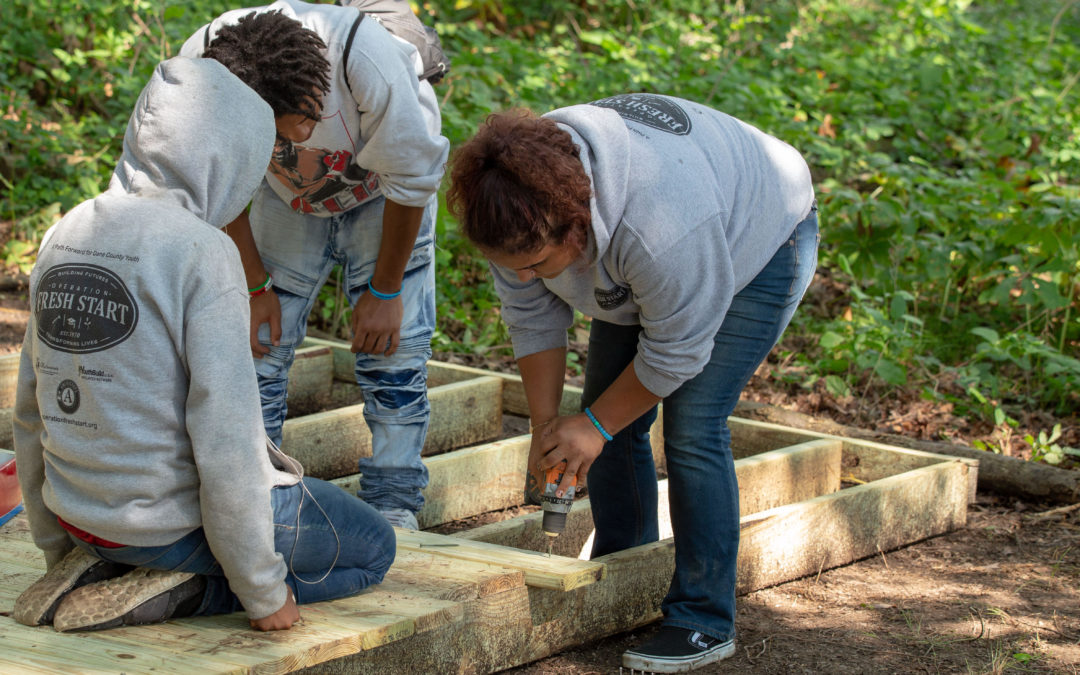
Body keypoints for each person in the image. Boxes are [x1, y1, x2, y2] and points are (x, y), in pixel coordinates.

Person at [12, 56, 395, 633]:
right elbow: (226, 442)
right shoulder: (202, 252)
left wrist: (56, 547)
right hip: (168, 531)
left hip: (83, 521)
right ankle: (191, 592)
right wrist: (262, 593)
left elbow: (29, 407)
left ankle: (102, 569)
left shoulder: (66, 232)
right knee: (373, 548)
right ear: (229, 154)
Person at [446, 94, 818, 672]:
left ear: (575, 230)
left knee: (692, 428)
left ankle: (702, 620)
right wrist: (548, 426)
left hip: (757, 236)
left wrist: (593, 425)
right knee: (600, 421)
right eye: (508, 264)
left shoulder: (661, 230)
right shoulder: (511, 205)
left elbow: (677, 351)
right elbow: (532, 317)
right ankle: (627, 577)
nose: (521, 277)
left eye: (537, 264)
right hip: (652, 254)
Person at [179, 0, 450, 531]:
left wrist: (387, 290)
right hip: (285, 202)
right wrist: (254, 283)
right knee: (256, 345)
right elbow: (218, 178)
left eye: (307, 120)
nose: (300, 139)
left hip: (384, 196)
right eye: (282, 133)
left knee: (392, 358)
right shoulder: (204, 69)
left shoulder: (365, 61)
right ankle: (253, 486)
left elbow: (413, 179)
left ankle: (393, 507)